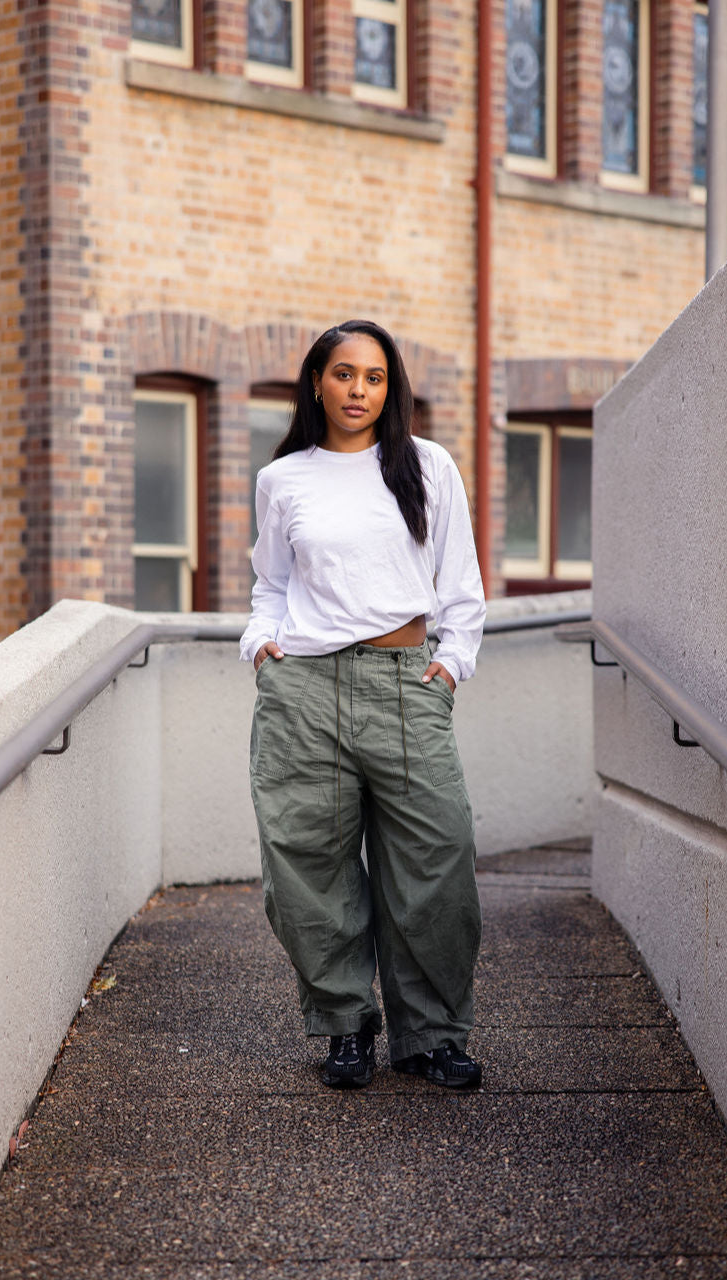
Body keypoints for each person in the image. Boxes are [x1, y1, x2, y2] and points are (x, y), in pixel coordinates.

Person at [240, 319, 486, 1091]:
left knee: (437, 859)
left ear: (391, 388)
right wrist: (260, 643)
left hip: (404, 683)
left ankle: (433, 1035)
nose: (358, 390)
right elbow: (272, 584)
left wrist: (449, 668)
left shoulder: (426, 466)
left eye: (374, 377)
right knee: (308, 867)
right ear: (318, 382)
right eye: (344, 374)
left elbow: (462, 585)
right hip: (305, 691)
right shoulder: (284, 480)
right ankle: (344, 1024)